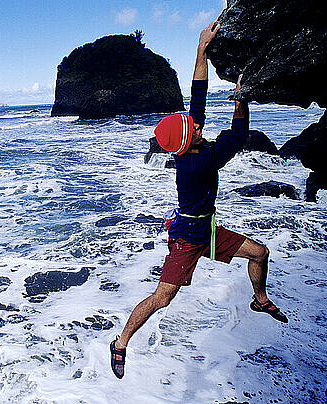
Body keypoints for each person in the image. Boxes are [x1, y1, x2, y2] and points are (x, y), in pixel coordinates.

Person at [109, 21, 288, 380]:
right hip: (189, 238)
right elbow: (238, 135)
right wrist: (241, 98)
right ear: (189, 142)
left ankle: (259, 299)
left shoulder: (189, 143)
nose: (199, 126)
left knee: (259, 252)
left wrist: (201, 49)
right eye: (195, 129)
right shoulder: (197, 163)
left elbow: (198, 95)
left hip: (204, 227)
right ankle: (121, 341)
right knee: (164, 297)